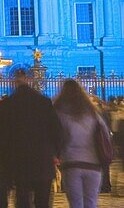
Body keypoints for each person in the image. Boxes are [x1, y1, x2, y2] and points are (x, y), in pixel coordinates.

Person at [0, 67, 61, 208]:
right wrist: (56, 153)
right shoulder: (44, 102)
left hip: (18, 160)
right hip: (42, 159)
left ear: (14, 83)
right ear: (29, 81)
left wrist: (4, 159)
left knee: (22, 199)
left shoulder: (7, 104)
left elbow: (0, 135)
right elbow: (56, 130)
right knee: (42, 201)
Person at [54, 79, 110, 208]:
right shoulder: (92, 113)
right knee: (91, 202)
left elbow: (57, 136)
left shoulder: (60, 112)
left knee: (76, 203)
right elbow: (105, 134)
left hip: (71, 162)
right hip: (93, 162)